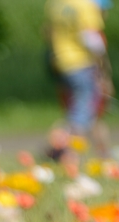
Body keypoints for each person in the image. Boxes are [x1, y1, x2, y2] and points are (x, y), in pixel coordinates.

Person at [44, 0, 111, 161]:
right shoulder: (85, 6)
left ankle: (102, 153)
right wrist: (102, 65)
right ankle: (68, 154)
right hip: (81, 63)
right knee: (83, 111)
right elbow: (91, 39)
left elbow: (47, 31)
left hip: (60, 62)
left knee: (80, 111)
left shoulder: (56, 4)